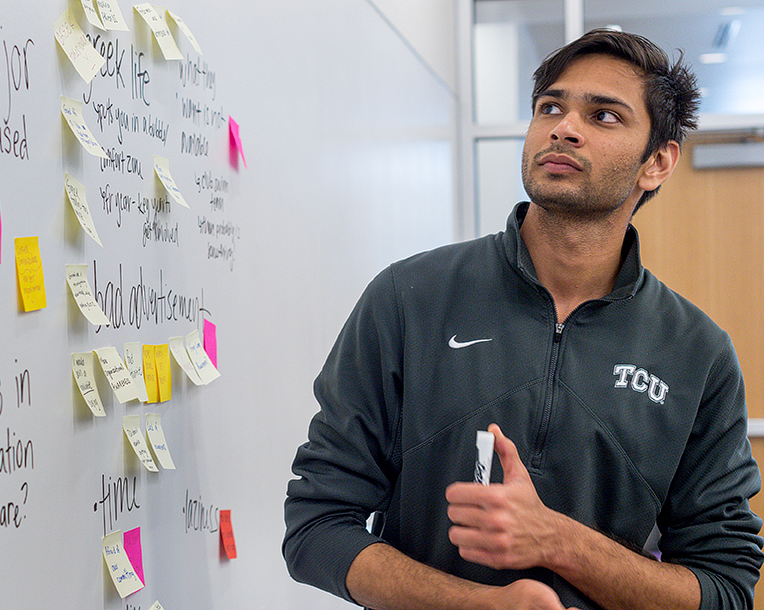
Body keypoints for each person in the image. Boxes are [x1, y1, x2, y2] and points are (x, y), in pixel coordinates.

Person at [283, 29, 762, 610]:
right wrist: (482, 606)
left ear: (656, 162)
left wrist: (560, 542)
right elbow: (316, 528)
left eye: (605, 116)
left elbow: (727, 588)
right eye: (550, 107)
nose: (564, 127)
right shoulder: (409, 298)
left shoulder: (696, 353)